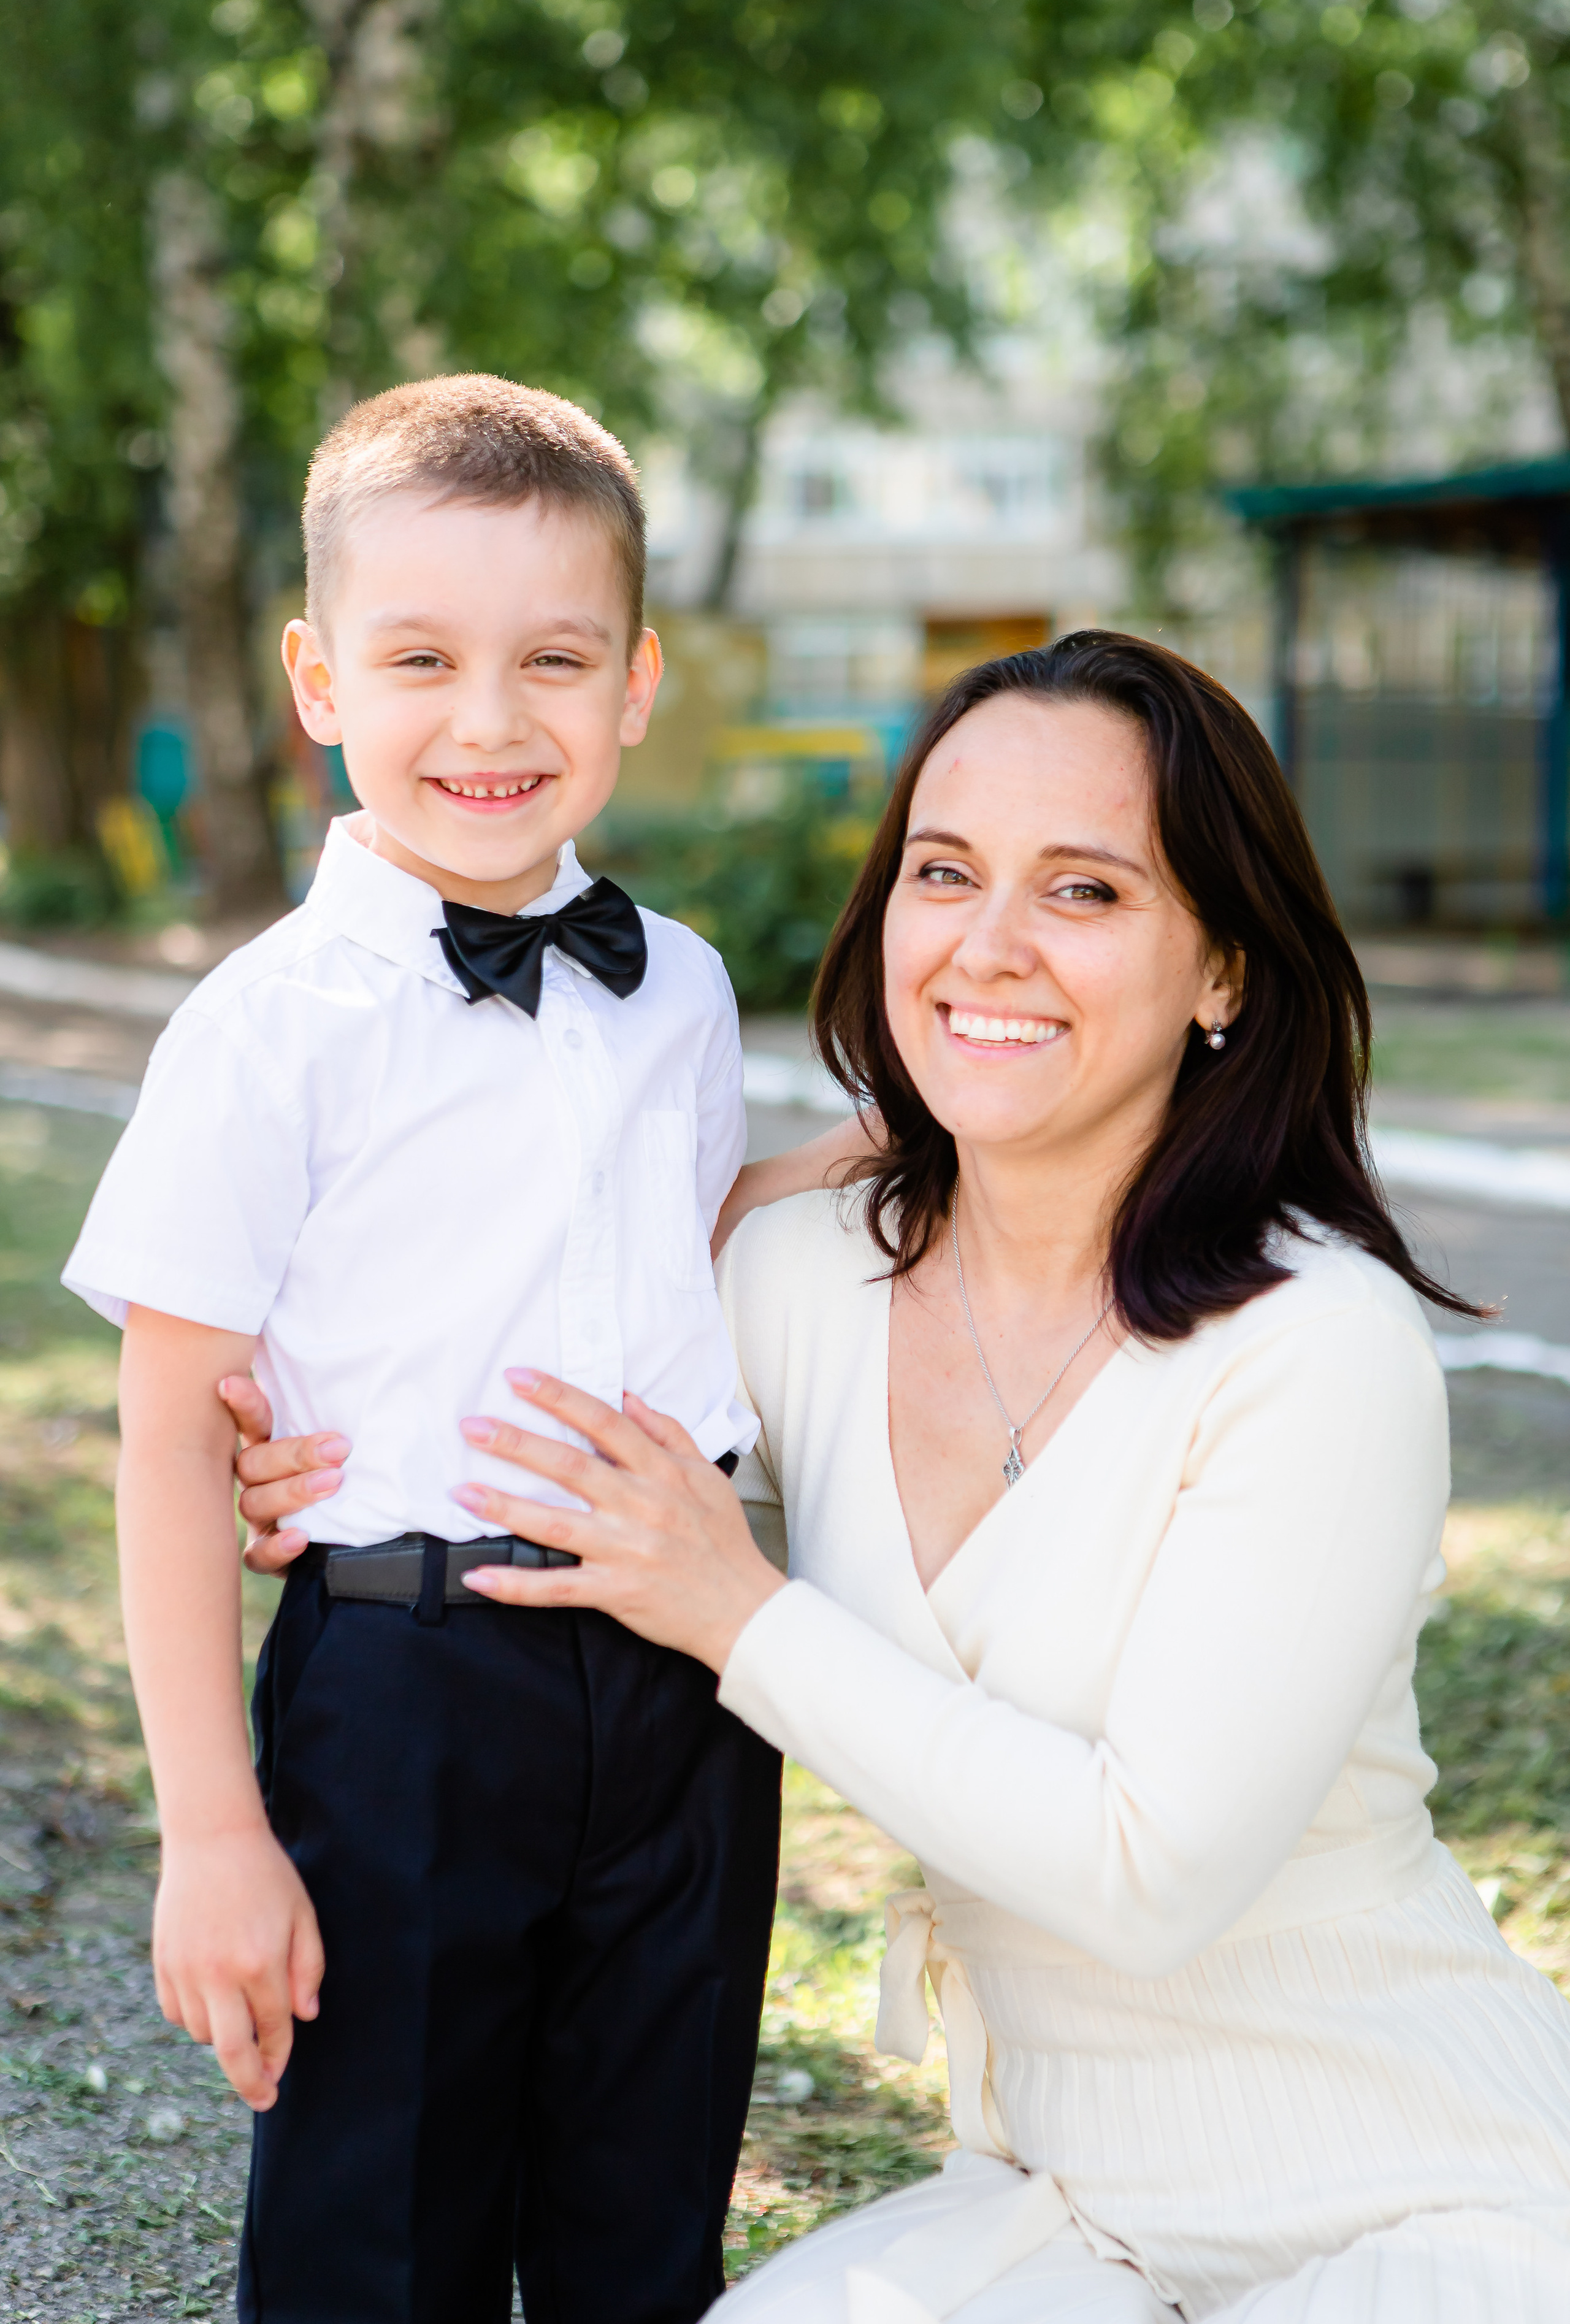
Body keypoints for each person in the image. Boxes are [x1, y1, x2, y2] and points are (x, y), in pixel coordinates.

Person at [239, 630, 1570, 2320]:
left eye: (1084, 892)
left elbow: (1143, 1877)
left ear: (1224, 971)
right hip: (1059, 2203)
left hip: (1418, 2192)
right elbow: (538, 1412)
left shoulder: (1319, 1344)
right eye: (946, 873)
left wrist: (747, 1615)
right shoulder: (800, 1283)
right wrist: (306, 1451)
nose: (988, 947)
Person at [61, 373, 860, 2324]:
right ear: (319, 679)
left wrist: (857, 1161)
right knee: (378, 2241)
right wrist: (217, 1834)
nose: (491, 721)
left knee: (642, 2217)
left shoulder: (674, 983)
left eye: (553, 660)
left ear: (638, 681)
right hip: (407, 1692)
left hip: (687, 1680)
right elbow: (171, 1439)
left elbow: (650, 1254)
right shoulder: (268, 1026)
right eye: (420, 659)